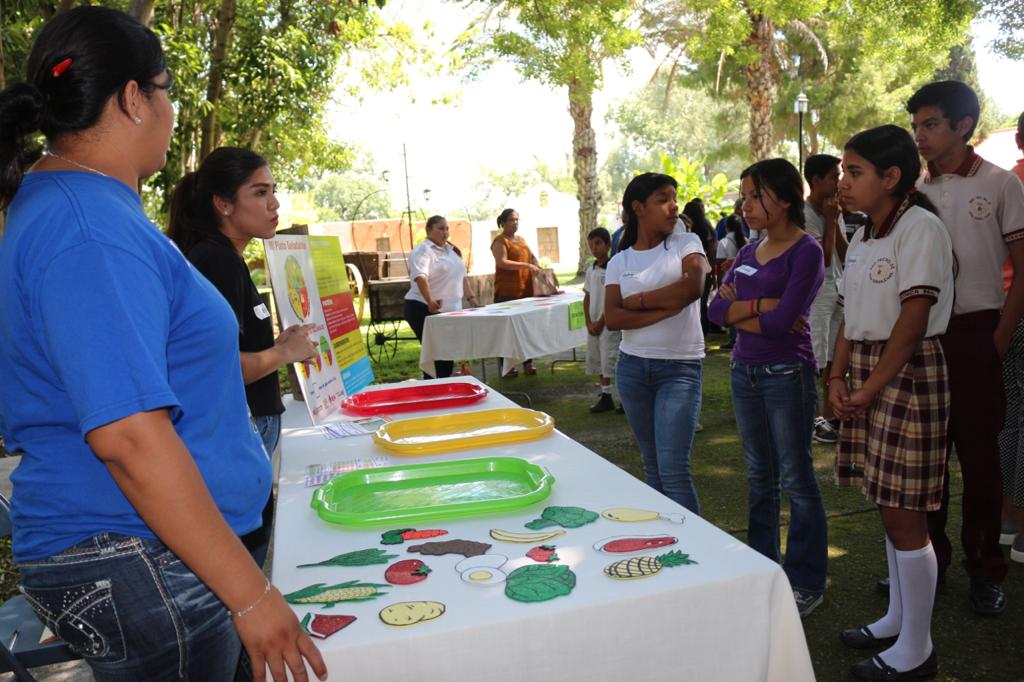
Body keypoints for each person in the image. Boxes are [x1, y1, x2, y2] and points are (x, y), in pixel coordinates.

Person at [0, 8, 326, 681]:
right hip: (138, 552)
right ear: (131, 98)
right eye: (168, 89)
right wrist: (251, 593)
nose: (174, 110)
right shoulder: (85, 226)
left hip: (151, 550)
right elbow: (127, 436)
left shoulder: (85, 209)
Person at [831, 124, 954, 682]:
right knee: (888, 505)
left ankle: (918, 649)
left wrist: (870, 385)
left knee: (908, 516)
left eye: (854, 172)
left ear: (892, 177)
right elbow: (849, 316)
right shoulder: (863, 235)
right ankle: (898, 620)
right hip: (872, 371)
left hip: (908, 373)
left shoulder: (920, 228)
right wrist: (836, 375)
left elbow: (913, 320)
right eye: (843, 172)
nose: (843, 183)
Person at [166, 146, 317, 568]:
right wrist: (283, 353)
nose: (275, 204)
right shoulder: (216, 263)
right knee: (245, 558)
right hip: (239, 428)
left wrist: (278, 345)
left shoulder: (225, 259)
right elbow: (218, 368)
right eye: (260, 192)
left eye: (274, 191)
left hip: (252, 425)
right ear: (224, 204)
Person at [908, 80, 1024, 615]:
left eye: (931, 124)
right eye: (916, 126)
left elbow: (1022, 274)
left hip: (979, 331)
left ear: (963, 125)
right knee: (925, 459)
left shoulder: (1002, 184)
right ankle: (930, 565)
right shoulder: (910, 190)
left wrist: (998, 337)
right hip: (920, 335)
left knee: (980, 460)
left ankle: (986, 569)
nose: (921, 136)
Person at [707, 158, 828, 618]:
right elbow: (716, 312)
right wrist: (761, 304)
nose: (745, 205)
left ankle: (807, 580)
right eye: (744, 196)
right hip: (744, 371)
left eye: (754, 195)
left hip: (786, 375)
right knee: (760, 476)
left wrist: (745, 309)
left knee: (796, 477)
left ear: (783, 197)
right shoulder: (746, 251)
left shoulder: (806, 251)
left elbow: (782, 326)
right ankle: (763, 569)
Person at [605, 173, 709, 514]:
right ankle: (667, 544)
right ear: (638, 208)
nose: (673, 206)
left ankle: (699, 554)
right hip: (633, 369)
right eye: (663, 198)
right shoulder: (619, 261)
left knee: (674, 470)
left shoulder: (686, 243)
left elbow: (692, 288)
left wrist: (636, 301)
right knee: (652, 467)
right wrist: (663, 307)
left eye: (674, 197)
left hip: (679, 369)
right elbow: (613, 318)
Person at [803, 154, 848, 445]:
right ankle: (813, 418)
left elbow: (845, 253)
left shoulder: (834, 209)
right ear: (816, 180)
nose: (839, 182)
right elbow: (824, 258)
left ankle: (831, 417)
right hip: (817, 292)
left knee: (834, 355)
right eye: (834, 176)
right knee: (815, 355)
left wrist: (836, 218)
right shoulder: (805, 214)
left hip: (838, 288)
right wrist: (830, 221)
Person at [403, 215, 477, 378]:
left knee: (447, 352)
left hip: (448, 311)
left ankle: (443, 387)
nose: (445, 232)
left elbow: (461, 276)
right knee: (437, 354)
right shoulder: (423, 250)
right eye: (440, 228)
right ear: (429, 230)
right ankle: (433, 389)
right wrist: (430, 300)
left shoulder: (451, 250)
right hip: (422, 307)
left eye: (447, 228)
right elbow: (420, 277)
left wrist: (471, 299)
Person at [999, 110, 1024, 562]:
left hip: (1000, 309)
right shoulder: (1007, 185)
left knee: (1007, 416)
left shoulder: (1005, 181)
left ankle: (1007, 518)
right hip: (1011, 309)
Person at [491, 208, 541, 376]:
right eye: (512, 220)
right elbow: (502, 262)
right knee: (506, 332)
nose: (515, 222)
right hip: (506, 293)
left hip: (525, 292)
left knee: (526, 329)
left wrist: (536, 264)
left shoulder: (521, 240)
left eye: (517, 219)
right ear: (503, 222)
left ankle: (528, 363)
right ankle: (507, 367)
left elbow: (531, 257)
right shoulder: (500, 241)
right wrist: (525, 266)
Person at [583, 227, 622, 413]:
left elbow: (613, 299)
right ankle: (605, 395)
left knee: (611, 358)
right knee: (598, 358)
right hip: (594, 323)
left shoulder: (613, 268)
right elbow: (587, 297)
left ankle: (623, 397)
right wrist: (589, 322)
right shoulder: (591, 270)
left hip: (608, 324)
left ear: (608, 244)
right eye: (591, 245)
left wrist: (601, 322)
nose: (594, 248)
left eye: (598, 243)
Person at [682, 198, 717, 334]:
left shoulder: (683, 226)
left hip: (687, 269)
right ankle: (702, 331)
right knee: (701, 303)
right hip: (704, 268)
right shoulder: (706, 227)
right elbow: (712, 250)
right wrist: (713, 272)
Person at [715, 214, 747, 350]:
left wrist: (718, 283)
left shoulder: (723, 242)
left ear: (727, 227)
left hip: (728, 282)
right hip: (744, 279)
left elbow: (720, 264)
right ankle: (740, 339)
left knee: (731, 311)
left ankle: (733, 340)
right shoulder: (746, 241)